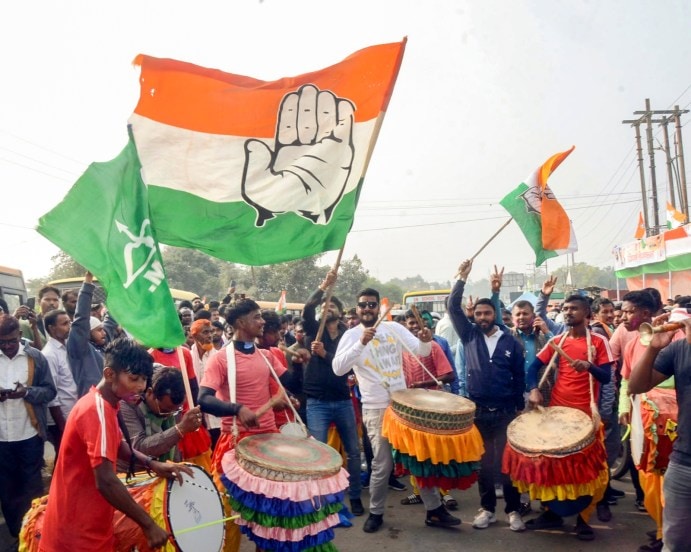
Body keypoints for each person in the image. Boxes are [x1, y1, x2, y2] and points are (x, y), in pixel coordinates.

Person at [39, 337, 191, 551]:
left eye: (144, 379)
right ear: (109, 374)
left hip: (90, 521)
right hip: (78, 532)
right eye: (134, 378)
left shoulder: (108, 403)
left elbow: (118, 446)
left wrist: (152, 464)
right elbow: (106, 481)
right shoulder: (96, 410)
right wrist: (149, 525)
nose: (140, 386)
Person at [334, 288, 460, 533]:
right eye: (363, 305)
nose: (368, 309)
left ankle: (434, 510)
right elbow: (338, 369)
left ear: (379, 308)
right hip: (376, 408)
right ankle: (377, 513)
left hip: (403, 406)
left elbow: (421, 352)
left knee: (417, 459)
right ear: (357, 309)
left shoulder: (394, 329)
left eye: (372, 305)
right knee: (382, 465)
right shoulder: (351, 335)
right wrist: (361, 343)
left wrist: (425, 340)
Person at [198, 298, 289, 552]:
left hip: (269, 441)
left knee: (270, 513)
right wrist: (237, 409)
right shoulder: (220, 359)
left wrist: (310, 360)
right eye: (257, 317)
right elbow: (203, 399)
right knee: (228, 513)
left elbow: (291, 383)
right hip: (235, 443)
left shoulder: (267, 355)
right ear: (240, 322)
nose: (262, 322)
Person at [526, 294, 614, 541]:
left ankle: (583, 518)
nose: (568, 312)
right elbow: (533, 368)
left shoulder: (598, 342)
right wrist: (534, 389)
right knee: (552, 467)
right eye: (565, 308)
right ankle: (550, 512)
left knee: (586, 471)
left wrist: (589, 367)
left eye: (574, 308)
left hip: (586, 418)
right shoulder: (557, 340)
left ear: (586, 313)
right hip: (557, 414)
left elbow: (606, 377)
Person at [448, 260, 526, 533]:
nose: (482, 317)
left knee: (508, 465)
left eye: (487, 313)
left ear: (495, 315)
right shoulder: (469, 336)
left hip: (506, 412)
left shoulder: (510, 342)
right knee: (484, 466)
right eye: (478, 313)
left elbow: (519, 377)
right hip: (478, 412)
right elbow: (451, 307)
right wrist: (461, 278)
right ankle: (487, 510)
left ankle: (514, 510)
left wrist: (519, 407)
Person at [302, 270, 364, 516]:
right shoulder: (313, 331)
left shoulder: (349, 336)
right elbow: (307, 307)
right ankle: (322, 501)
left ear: (339, 313)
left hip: (342, 400)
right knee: (319, 454)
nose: (330, 309)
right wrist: (323, 286)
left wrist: (324, 355)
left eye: (333, 305)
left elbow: (344, 366)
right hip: (317, 402)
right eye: (326, 305)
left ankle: (356, 497)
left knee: (354, 451)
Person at [629, 313, 690, 552]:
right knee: (675, 542)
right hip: (684, 461)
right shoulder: (678, 348)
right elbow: (636, 386)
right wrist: (653, 349)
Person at [0, 315, 56, 546]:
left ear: (20, 336)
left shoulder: (36, 358)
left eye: (11, 341)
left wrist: (26, 392)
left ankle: (35, 535)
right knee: (7, 490)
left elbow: (49, 391)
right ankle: (17, 536)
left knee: (32, 488)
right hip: (2, 438)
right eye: (1, 342)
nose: (6, 346)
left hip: (29, 435)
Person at [117, 365, 203, 472]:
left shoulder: (172, 406)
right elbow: (138, 448)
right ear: (149, 393)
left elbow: (173, 447)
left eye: (175, 410)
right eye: (165, 409)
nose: (169, 414)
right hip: (133, 475)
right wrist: (179, 430)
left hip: (162, 472)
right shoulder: (127, 402)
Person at [42, 309, 78, 458]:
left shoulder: (66, 348)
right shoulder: (49, 354)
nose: (69, 327)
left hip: (72, 413)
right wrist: (62, 425)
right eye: (64, 324)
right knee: (65, 456)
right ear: (51, 328)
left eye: (69, 322)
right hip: (61, 418)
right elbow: (52, 394)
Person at [66, 272, 107, 396]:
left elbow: (110, 322)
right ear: (87, 332)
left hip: (107, 403)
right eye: (99, 330)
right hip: (92, 403)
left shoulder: (101, 347)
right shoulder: (80, 348)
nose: (104, 333)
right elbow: (81, 318)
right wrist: (88, 282)